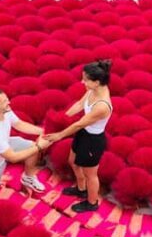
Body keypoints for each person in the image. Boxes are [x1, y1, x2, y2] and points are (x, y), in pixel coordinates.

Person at [44, 60, 113, 213]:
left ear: (96, 82)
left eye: (86, 80)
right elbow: (80, 105)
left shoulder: (102, 106)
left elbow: (79, 124)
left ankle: (92, 202)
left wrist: (59, 135)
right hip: (84, 133)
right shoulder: (93, 90)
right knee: (73, 162)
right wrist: (60, 117)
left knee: (91, 174)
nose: (82, 82)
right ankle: (81, 189)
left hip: (93, 141)